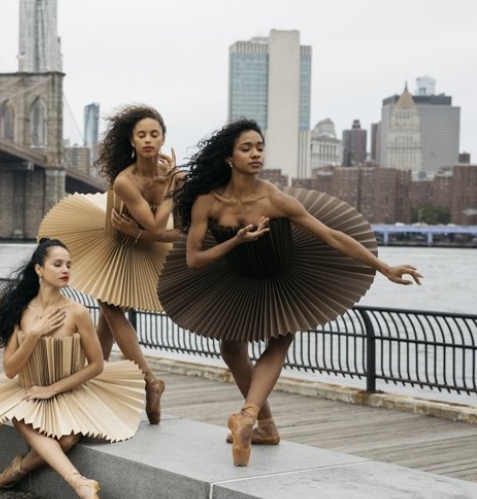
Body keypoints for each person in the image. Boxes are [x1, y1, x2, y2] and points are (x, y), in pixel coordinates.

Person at [159, 119, 423, 467]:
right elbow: (193, 260)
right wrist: (237, 240)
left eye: (259, 147)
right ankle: (256, 421)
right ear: (228, 158)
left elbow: (331, 236)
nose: (256, 154)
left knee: (275, 339)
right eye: (246, 148)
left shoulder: (274, 198)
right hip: (238, 275)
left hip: (285, 274)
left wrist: (382, 265)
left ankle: (254, 419)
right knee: (236, 345)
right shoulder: (207, 202)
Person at [0, 239, 146, 499]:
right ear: (39, 269)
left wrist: (52, 389)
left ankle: (18, 470)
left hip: (69, 388)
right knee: (26, 412)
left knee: (67, 438)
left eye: (68, 265)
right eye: (58, 264)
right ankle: (81, 486)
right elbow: (10, 370)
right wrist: (34, 335)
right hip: (28, 388)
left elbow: (97, 365)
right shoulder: (21, 310)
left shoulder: (77, 312)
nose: (65, 270)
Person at [38, 104, 182, 425]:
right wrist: (160, 207)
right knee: (110, 313)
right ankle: (124, 382)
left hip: (141, 249)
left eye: (154, 134)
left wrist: (170, 189)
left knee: (110, 313)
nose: (148, 140)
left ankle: (146, 382)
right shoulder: (124, 181)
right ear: (131, 141)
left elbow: (178, 231)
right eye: (141, 134)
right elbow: (159, 227)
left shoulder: (169, 180)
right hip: (109, 244)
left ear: (163, 140)